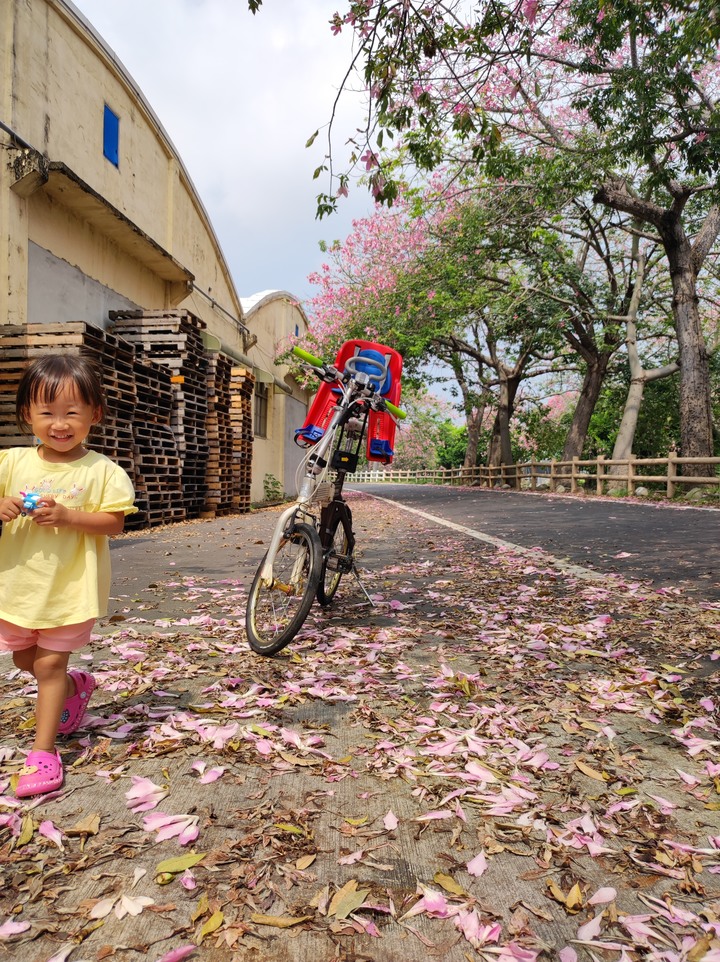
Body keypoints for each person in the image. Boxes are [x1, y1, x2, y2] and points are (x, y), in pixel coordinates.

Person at [0, 353, 137, 798]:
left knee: (47, 663)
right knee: (27, 661)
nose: (60, 423)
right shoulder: (11, 463)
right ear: (27, 415)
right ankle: (76, 686)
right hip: (16, 587)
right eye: (47, 413)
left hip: (69, 589)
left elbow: (114, 523)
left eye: (72, 412)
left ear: (93, 414)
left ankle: (44, 754)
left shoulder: (102, 471)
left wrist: (68, 516)